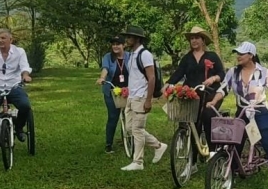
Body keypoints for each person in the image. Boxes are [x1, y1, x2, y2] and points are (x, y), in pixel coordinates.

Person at [206, 42, 268, 189]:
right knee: (235, 144)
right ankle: (230, 176)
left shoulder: (263, 72)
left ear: (251, 56)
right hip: (242, 112)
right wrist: (214, 101)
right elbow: (223, 89)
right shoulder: (233, 72)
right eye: (237, 53)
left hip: (260, 111)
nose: (238, 56)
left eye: (242, 54)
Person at [164, 26, 225, 174]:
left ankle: (212, 153)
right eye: (192, 38)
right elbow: (179, 73)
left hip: (210, 93)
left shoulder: (212, 56)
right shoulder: (187, 58)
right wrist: (168, 84)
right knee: (191, 124)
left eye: (197, 37)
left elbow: (222, 73)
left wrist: (213, 78)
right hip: (191, 94)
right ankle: (192, 163)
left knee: (207, 117)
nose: (194, 40)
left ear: (203, 40)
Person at [120, 26, 167, 171]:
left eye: (129, 37)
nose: (126, 39)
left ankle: (138, 162)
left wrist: (148, 100)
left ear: (137, 39)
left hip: (141, 97)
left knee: (138, 129)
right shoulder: (132, 54)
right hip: (131, 97)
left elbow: (151, 77)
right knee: (130, 128)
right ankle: (158, 146)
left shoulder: (145, 54)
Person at [96, 36, 130, 154]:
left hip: (128, 91)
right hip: (112, 91)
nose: (115, 46)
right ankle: (108, 144)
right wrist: (102, 78)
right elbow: (105, 69)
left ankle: (129, 138)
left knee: (129, 115)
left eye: (118, 44)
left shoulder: (130, 56)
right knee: (113, 117)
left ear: (124, 45)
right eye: (113, 44)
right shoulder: (107, 57)